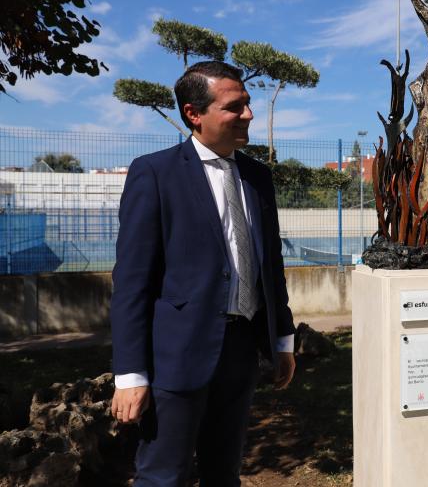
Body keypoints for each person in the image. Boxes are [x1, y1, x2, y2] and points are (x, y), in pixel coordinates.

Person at [109, 60, 296, 486]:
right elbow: (132, 284)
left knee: (224, 472)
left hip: (241, 351)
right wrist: (131, 375)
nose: (248, 114)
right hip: (177, 356)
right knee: (163, 476)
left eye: (248, 104)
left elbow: (271, 265)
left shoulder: (258, 177)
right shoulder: (155, 174)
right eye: (235, 106)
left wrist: (282, 339)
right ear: (195, 114)